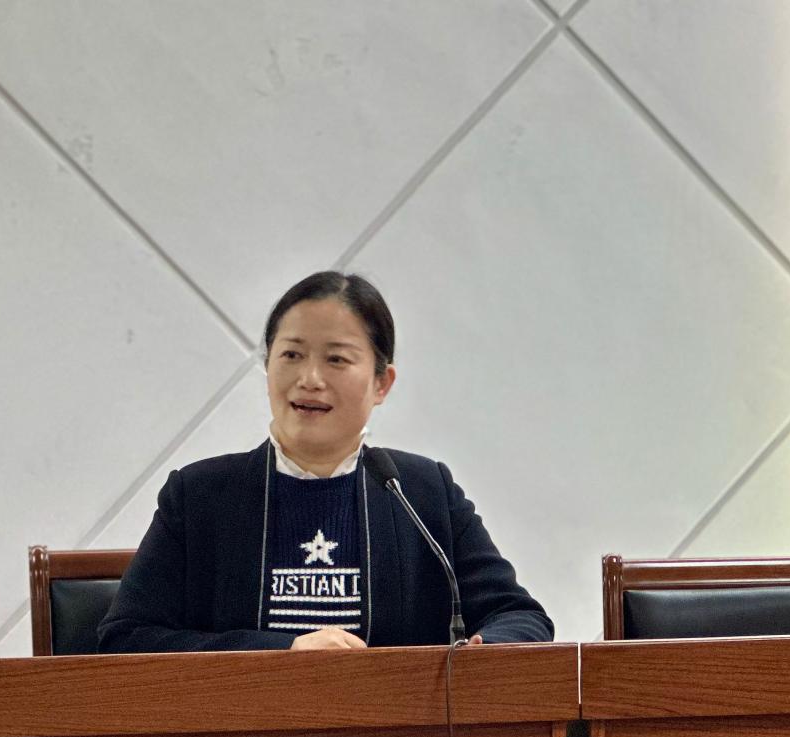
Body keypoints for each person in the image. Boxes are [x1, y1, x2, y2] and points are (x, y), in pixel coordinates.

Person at [97, 271, 552, 652]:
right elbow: (126, 638)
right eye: (291, 355)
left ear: (381, 383)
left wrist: (484, 653)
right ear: (268, 366)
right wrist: (283, 652)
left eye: (336, 359)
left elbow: (520, 617)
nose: (310, 379)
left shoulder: (422, 492)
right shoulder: (200, 495)